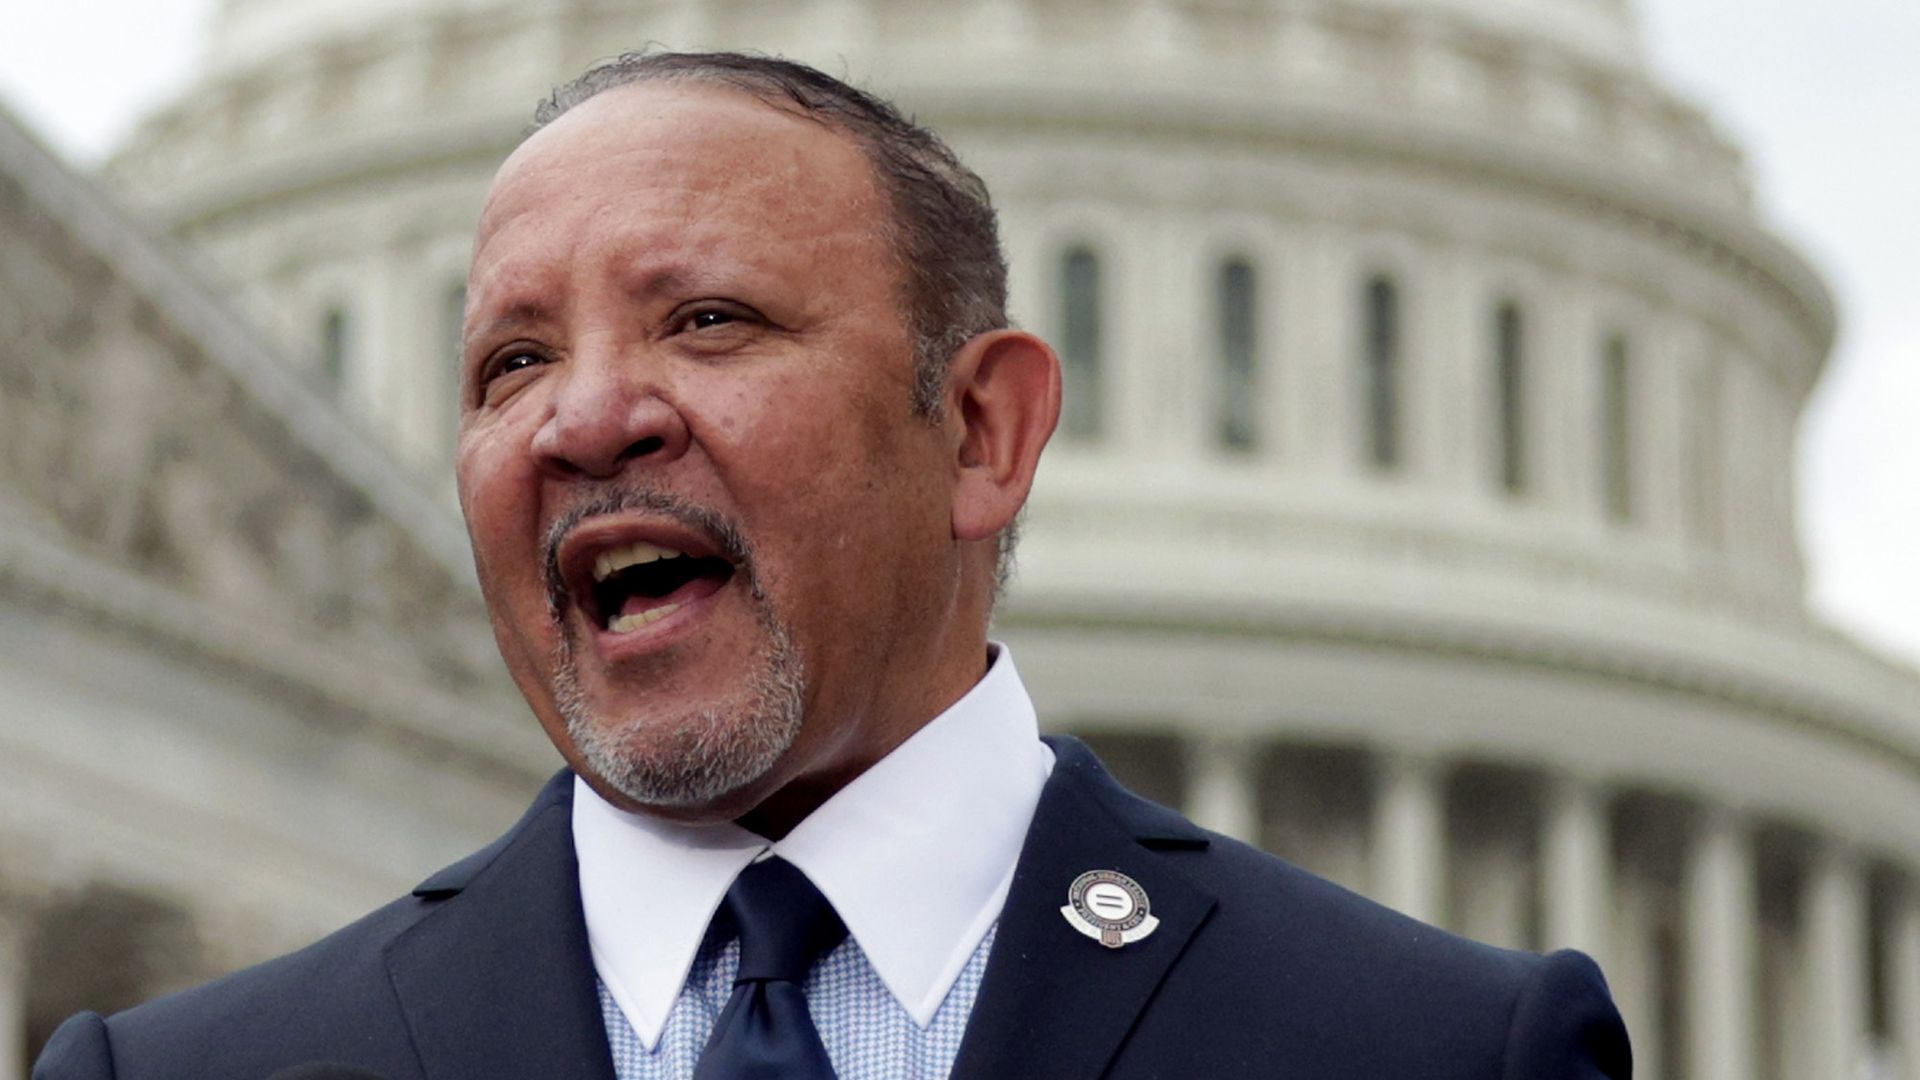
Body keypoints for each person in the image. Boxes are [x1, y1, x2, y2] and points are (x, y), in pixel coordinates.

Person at [35, 51, 1631, 1080]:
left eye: (708, 319)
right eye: (510, 363)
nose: (584, 419)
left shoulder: (1429, 1053)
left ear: (983, 432)